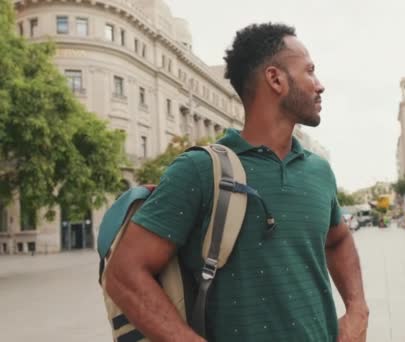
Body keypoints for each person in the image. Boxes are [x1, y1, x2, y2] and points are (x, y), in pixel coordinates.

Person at [104, 23, 369, 342]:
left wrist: (357, 311)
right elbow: (123, 274)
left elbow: (338, 240)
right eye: (310, 71)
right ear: (276, 79)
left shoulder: (318, 171)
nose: (320, 85)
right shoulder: (199, 170)